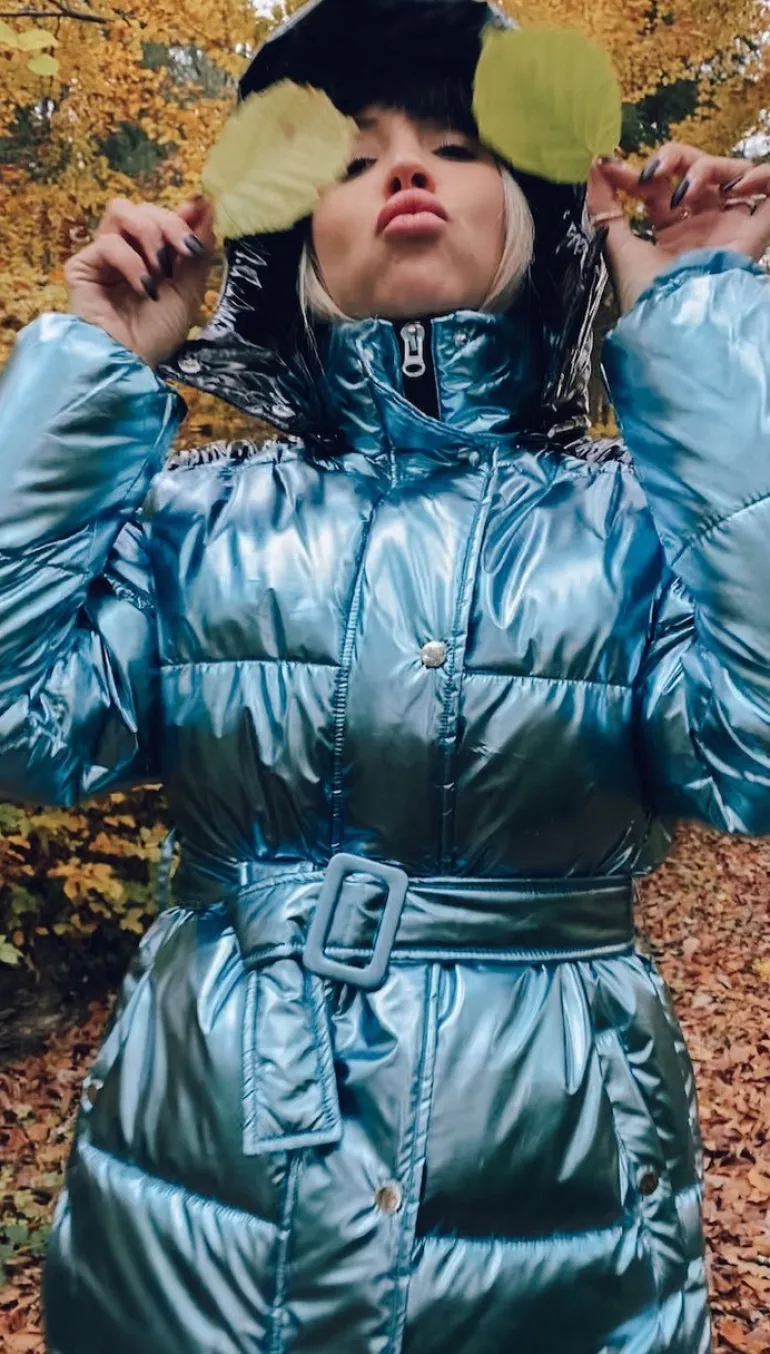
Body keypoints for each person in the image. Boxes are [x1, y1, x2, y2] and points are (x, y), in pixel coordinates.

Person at [2, 1, 770, 1350]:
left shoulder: (632, 524)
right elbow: (20, 727)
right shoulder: (194, 520)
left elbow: (754, 746)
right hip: (190, 1215)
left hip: (554, 1214)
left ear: (536, 225)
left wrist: (698, 316)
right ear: (299, 249)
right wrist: (90, 369)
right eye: (353, 162)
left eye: (457, 148)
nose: (404, 169)